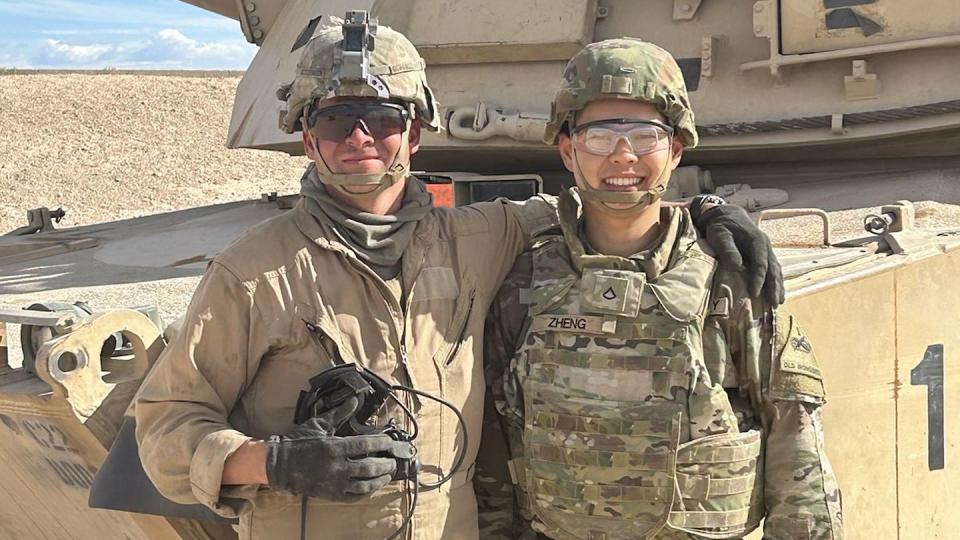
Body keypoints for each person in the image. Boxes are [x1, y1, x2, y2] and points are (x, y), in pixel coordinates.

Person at [134, 13, 783, 540]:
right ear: (307, 139)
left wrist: (703, 209)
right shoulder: (254, 271)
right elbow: (166, 426)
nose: (361, 137)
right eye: (335, 120)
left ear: (414, 133)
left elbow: (604, 201)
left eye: (384, 119)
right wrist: (272, 462)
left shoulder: (475, 237)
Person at [480, 39, 843, 540]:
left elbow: (796, 457)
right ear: (569, 150)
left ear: (675, 149)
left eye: (645, 136)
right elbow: (496, 452)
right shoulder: (524, 282)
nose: (623, 155)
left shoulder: (731, 283)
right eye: (601, 136)